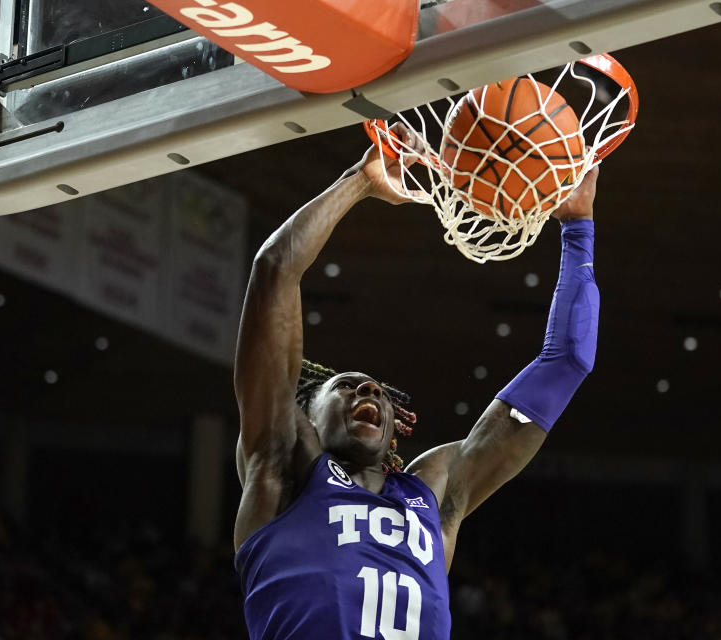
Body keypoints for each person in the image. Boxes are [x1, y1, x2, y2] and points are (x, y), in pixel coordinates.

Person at [232, 130, 601, 639]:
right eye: (346, 387)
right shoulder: (281, 471)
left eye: (379, 392)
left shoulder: (434, 488)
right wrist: (360, 181)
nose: (369, 393)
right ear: (305, 417)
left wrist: (578, 227)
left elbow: (566, 363)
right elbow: (274, 270)